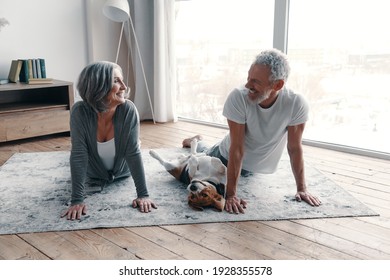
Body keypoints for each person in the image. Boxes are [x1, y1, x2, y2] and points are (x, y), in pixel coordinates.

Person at [182, 49, 321, 214]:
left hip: (253, 166)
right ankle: (193, 142)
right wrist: (231, 194)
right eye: (248, 78)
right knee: (189, 173)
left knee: (210, 153)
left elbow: (294, 148)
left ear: (278, 85)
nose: (248, 85)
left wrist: (302, 188)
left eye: (255, 81)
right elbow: (237, 148)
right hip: (225, 157)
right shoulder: (238, 97)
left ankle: (197, 141)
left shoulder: (296, 103)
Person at [61, 61, 157, 220]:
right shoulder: (79, 112)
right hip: (93, 173)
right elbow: (79, 154)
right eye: (116, 81)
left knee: (135, 146)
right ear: (98, 86)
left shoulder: (128, 110)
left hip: (123, 171)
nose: (124, 87)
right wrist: (77, 200)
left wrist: (143, 194)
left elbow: (133, 153)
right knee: (74, 157)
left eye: (122, 80)